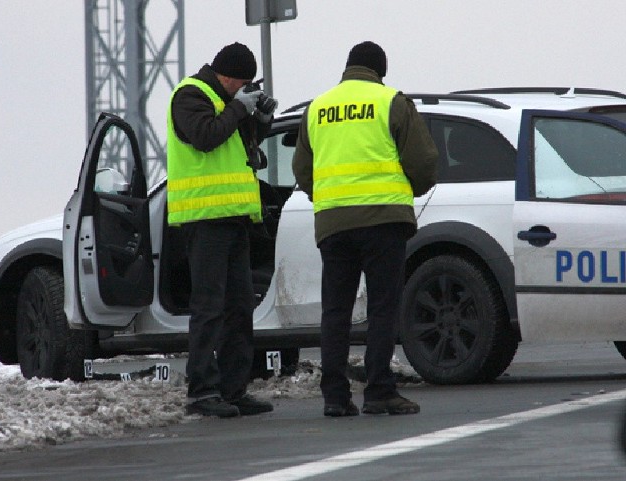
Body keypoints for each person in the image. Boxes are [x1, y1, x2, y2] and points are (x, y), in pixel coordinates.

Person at [292, 41, 438, 417]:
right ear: (380, 71)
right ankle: (378, 391)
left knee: (335, 311)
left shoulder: (318, 107)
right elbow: (422, 162)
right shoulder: (391, 101)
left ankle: (335, 398)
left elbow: (302, 171)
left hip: (333, 224)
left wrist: (328, 198)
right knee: (382, 308)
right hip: (382, 221)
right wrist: (410, 189)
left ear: (348, 67)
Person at [167, 42, 276, 418]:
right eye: (242, 83)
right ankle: (201, 392)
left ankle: (233, 389)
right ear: (226, 75)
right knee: (209, 309)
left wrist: (260, 120)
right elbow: (206, 136)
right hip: (204, 219)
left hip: (234, 218)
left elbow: (242, 144)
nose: (243, 90)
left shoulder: (228, 101)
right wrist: (239, 108)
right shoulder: (190, 95)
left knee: (239, 308)